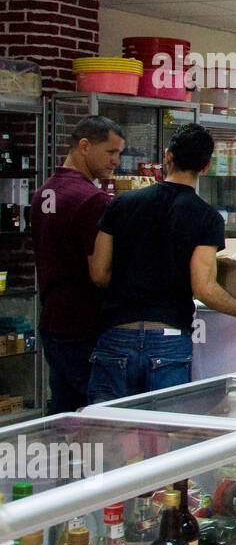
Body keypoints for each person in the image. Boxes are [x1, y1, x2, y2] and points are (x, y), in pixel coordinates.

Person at [86, 124, 236, 402]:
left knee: (110, 436)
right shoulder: (206, 217)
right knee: (167, 437)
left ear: (167, 156)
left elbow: (99, 273)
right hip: (169, 340)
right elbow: (203, 288)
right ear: (207, 167)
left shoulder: (120, 204)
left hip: (116, 337)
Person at [31, 116, 125, 414]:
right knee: (99, 414)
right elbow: (99, 273)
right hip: (84, 325)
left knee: (64, 414)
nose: (116, 161)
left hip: (52, 320)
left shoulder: (45, 191)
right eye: (111, 152)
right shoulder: (92, 199)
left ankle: (66, 461)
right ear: (84, 146)